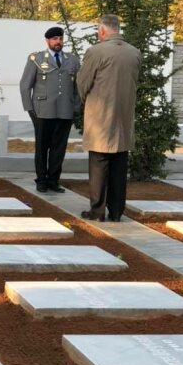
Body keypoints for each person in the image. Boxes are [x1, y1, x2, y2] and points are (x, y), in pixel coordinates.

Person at [77, 14, 141, 222]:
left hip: (100, 118)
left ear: (102, 31)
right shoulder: (134, 53)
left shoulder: (96, 51)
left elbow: (83, 84)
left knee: (98, 165)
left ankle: (97, 211)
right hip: (124, 118)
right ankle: (116, 212)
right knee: (119, 167)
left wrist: (89, 103)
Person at [20, 26, 80, 193]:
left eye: (60, 39)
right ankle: (41, 180)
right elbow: (25, 85)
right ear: (47, 41)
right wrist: (29, 108)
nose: (58, 42)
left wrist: (75, 105)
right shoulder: (36, 58)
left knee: (59, 148)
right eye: (54, 39)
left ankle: (53, 180)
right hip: (42, 110)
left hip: (64, 111)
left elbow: (79, 86)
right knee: (42, 147)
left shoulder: (72, 60)